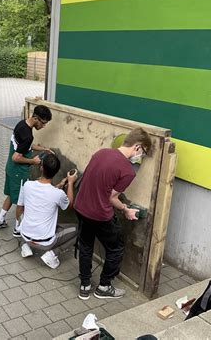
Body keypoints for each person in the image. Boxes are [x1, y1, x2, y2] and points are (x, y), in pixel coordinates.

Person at [75, 128, 152, 300]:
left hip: (81, 208)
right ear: (137, 147)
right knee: (115, 248)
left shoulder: (101, 153)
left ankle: (85, 286)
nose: (142, 157)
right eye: (144, 153)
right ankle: (104, 286)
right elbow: (111, 198)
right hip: (100, 215)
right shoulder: (128, 171)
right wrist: (125, 209)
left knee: (86, 246)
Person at [0, 105, 53, 237]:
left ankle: (0, 220)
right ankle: (18, 228)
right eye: (43, 123)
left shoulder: (22, 124)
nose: (43, 127)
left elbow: (25, 146)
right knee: (22, 201)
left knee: (10, 194)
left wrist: (43, 149)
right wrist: (34, 161)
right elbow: (17, 157)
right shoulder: (28, 136)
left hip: (10, 169)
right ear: (36, 118)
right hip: (19, 172)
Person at [15, 153, 78, 269]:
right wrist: (70, 183)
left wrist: (58, 186)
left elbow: (21, 206)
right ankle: (52, 254)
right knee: (77, 230)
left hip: (25, 234)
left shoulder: (28, 185)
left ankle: (25, 246)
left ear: (41, 167)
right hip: (45, 242)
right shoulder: (57, 194)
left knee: (24, 217)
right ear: (56, 172)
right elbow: (69, 205)